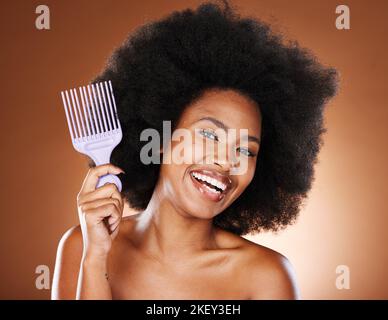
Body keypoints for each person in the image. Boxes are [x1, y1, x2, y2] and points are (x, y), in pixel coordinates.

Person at [52, 1, 338, 299]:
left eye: (246, 151)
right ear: (160, 135)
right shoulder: (82, 246)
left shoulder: (265, 277)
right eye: (209, 134)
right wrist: (96, 259)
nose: (227, 162)